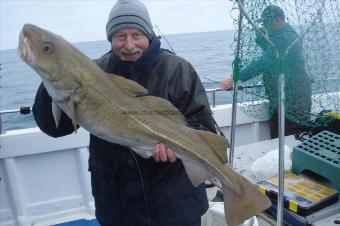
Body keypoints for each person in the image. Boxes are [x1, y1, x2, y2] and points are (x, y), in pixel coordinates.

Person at [32, 0, 216, 225]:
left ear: (149, 34)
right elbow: (55, 128)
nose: (129, 45)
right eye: (120, 36)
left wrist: (175, 146)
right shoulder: (92, 72)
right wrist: (49, 80)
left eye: (136, 34)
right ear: (110, 38)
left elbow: (202, 125)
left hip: (173, 204)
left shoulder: (178, 70)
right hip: (117, 205)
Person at [220, 5, 311, 139]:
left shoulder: (286, 38)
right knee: (278, 139)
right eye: (263, 22)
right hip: (282, 97)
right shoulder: (281, 35)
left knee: (291, 141)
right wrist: (262, 37)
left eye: (268, 22)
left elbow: (265, 61)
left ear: (278, 20)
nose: (265, 25)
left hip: (293, 100)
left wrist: (235, 77)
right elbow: (273, 52)